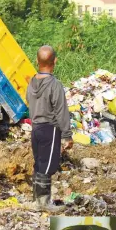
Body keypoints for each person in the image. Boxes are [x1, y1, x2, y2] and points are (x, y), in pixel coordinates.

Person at [26, 45, 73, 209]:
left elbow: (29, 104)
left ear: (37, 61)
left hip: (36, 128)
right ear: (55, 61)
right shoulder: (55, 84)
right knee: (47, 165)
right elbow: (61, 111)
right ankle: (44, 203)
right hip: (50, 129)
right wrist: (67, 134)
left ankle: (36, 201)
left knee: (39, 163)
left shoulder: (31, 83)